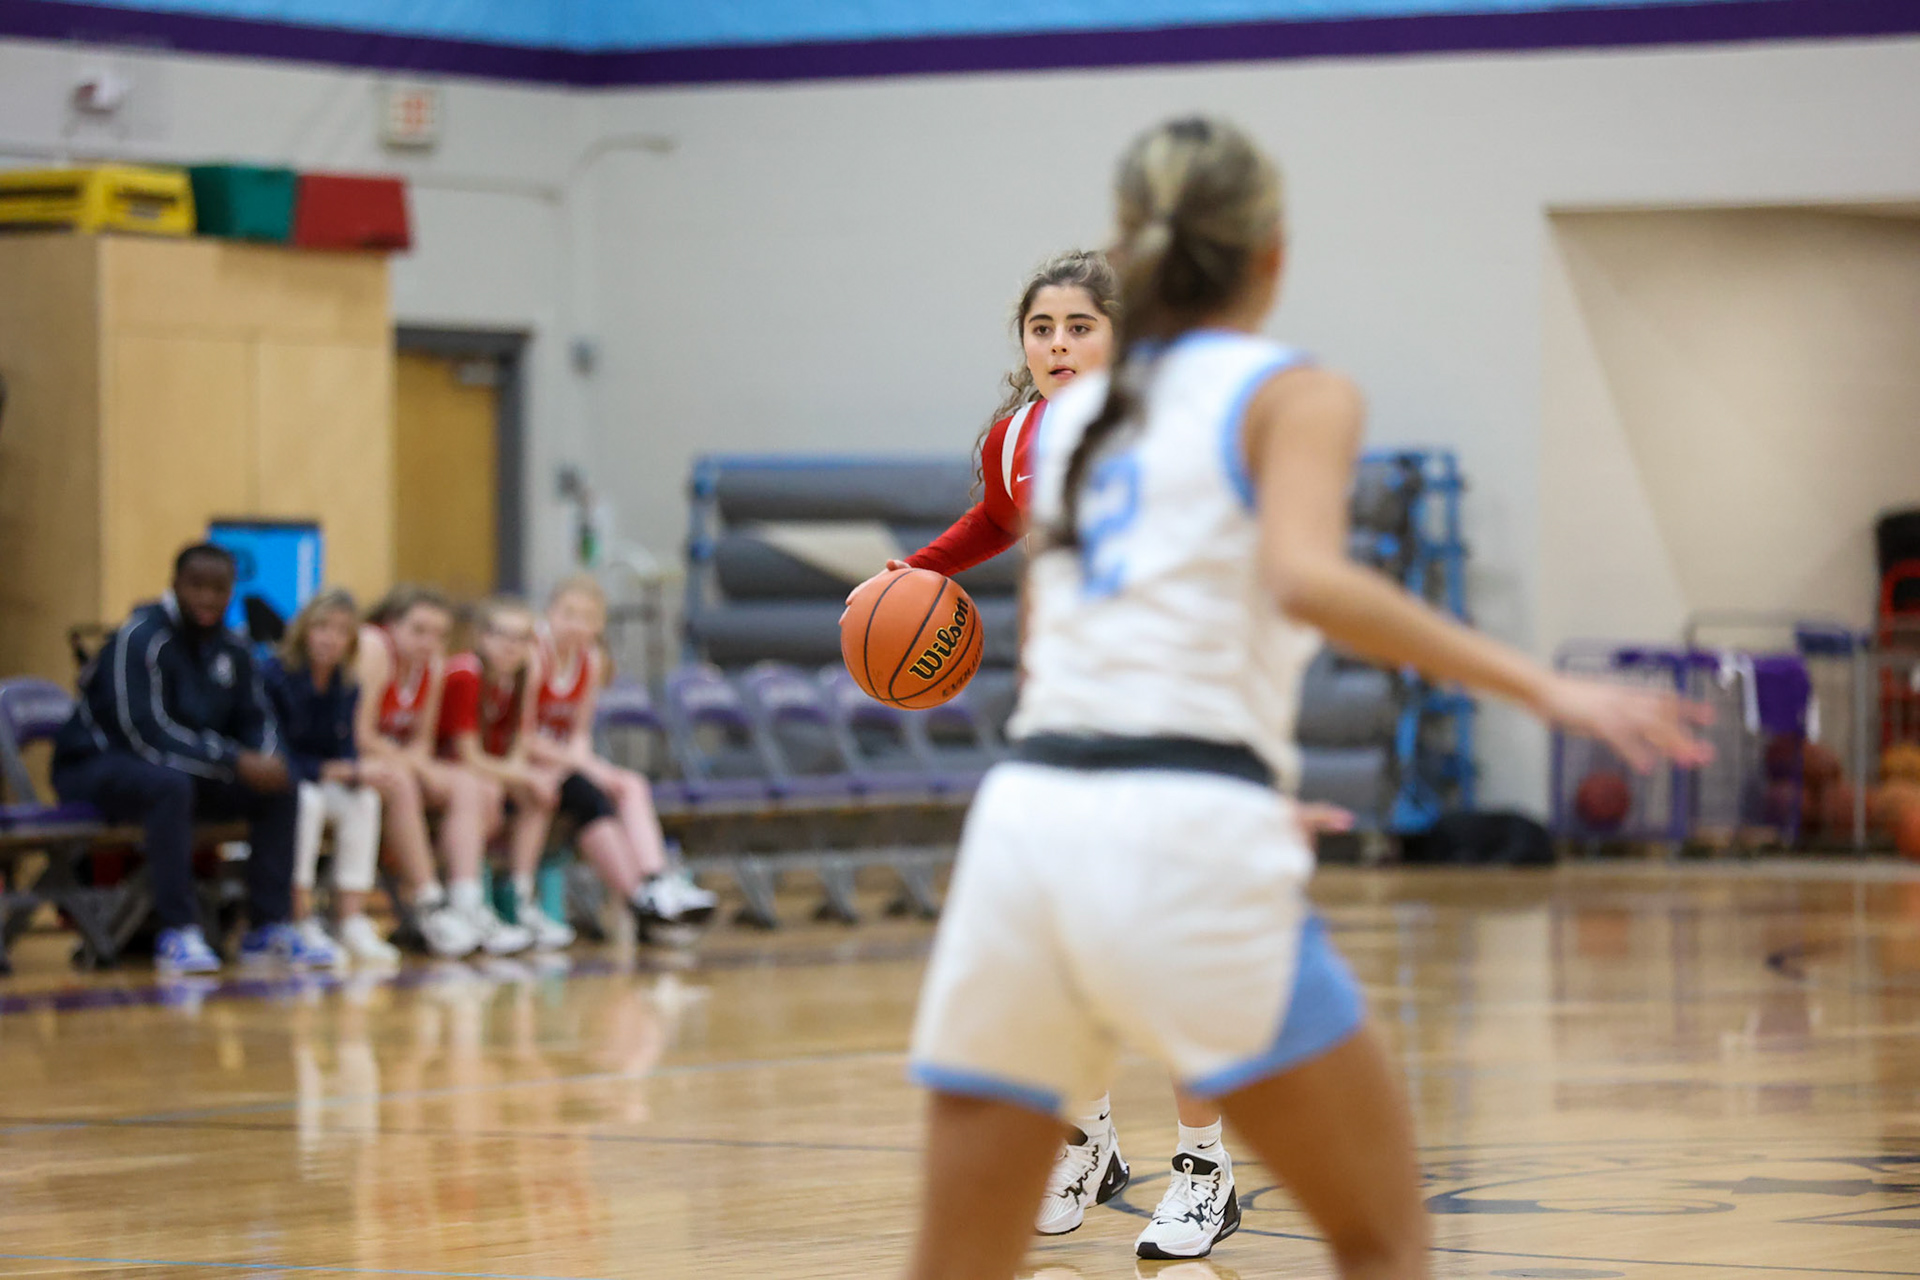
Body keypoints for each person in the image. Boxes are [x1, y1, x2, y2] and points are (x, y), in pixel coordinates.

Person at [900, 116, 1712, 1280]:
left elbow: (1089, 647)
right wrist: (1543, 685)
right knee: (1383, 1239)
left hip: (1029, 823)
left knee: (952, 1262)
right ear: (1272, 253)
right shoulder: (1291, 391)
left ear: (1129, 256)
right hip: (1183, 829)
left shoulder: (1064, 421)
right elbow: (1306, 579)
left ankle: (1176, 1168)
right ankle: (1196, 1174)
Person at [855, 250, 1334, 1256]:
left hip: (1173, 727)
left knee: (1176, 961)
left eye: (1080, 326)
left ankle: (1205, 1166)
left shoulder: (1174, 436)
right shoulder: (1015, 437)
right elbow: (999, 517)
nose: (1058, 345)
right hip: (1065, 732)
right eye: (1042, 328)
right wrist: (919, 569)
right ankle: (1089, 1136)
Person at [50, 543, 334, 973]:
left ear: (232, 591)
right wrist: (235, 762)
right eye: (196, 586)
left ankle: (269, 926)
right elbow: (143, 735)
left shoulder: (234, 647)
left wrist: (267, 758)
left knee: (281, 784)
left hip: (185, 767)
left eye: (219, 589)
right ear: (175, 584)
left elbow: (257, 717)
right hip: (97, 765)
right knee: (169, 785)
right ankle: (178, 930)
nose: (207, 598)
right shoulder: (140, 638)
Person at [527, 576, 717, 927]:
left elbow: (579, 732)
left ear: (599, 624)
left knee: (618, 793)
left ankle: (651, 894)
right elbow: (521, 736)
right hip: (524, 764)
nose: (577, 625)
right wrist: (584, 765)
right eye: (568, 614)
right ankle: (652, 894)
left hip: (563, 764)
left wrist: (583, 763)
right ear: (549, 613)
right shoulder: (535, 656)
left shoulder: (592, 660)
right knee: (601, 793)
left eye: (588, 617)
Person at [357, 585, 531, 958]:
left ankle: (465, 901)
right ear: (392, 626)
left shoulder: (434, 665)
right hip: (359, 760)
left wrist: (420, 765)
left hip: (400, 761)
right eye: (418, 630)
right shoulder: (375, 648)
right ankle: (427, 903)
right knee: (402, 780)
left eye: (439, 634)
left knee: (469, 784)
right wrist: (417, 765)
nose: (429, 641)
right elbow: (363, 734)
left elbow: (421, 741)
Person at [263, 590, 408, 968]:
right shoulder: (274, 676)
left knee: (364, 800)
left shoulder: (347, 684)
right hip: (282, 781)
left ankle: (350, 919)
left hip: (324, 777)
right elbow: (273, 751)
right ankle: (300, 917)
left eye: (341, 631)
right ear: (303, 630)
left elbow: (344, 749)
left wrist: (360, 773)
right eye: (321, 627)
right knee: (305, 803)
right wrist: (343, 770)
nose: (329, 638)